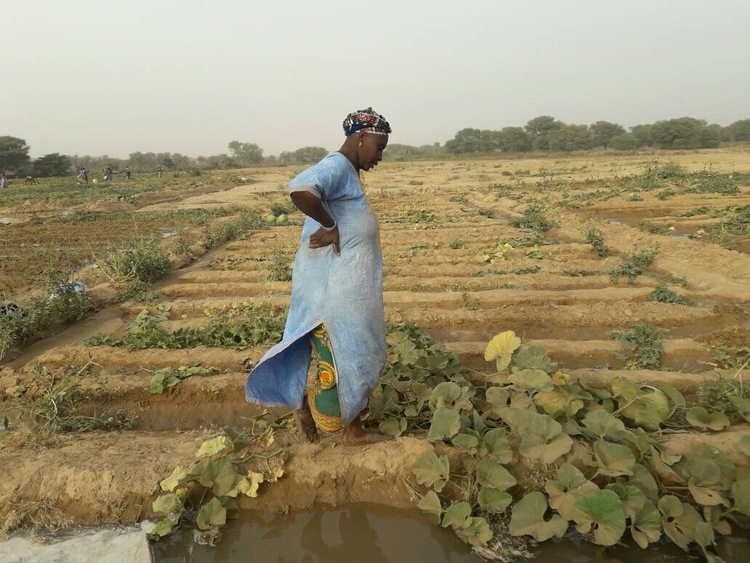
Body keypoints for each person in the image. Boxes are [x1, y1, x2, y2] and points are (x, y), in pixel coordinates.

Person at [246, 107, 391, 442]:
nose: (380, 157)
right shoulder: (337, 165)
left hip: (341, 289)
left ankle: (339, 421)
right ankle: (349, 431)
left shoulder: (347, 172)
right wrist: (330, 225)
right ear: (362, 137)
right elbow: (301, 189)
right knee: (346, 356)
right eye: (379, 147)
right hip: (333, 293)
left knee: (352, 354)